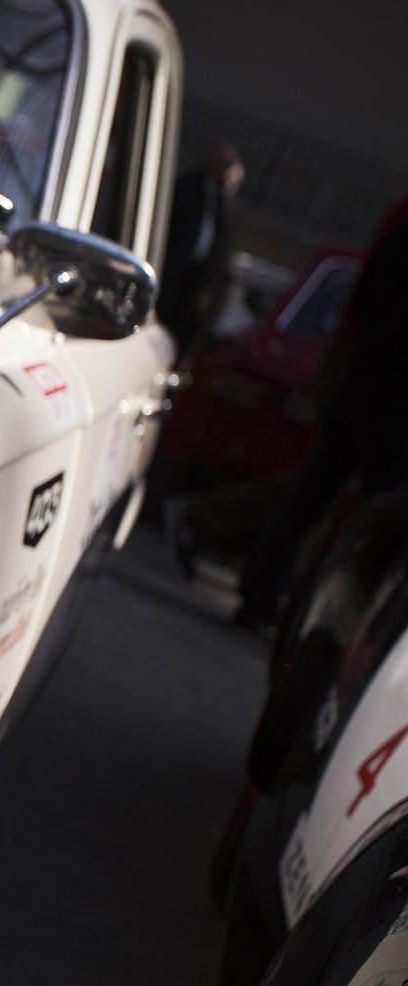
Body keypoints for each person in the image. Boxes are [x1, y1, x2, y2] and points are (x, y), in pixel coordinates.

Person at [231, 195, 408, 629]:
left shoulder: (401, 217)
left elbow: (365, 297)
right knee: (366, 514)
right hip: (387, 390)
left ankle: (267, 595)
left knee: (314, 494)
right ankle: (319, 620)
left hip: (364, 373)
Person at [158, 144, 246, 364]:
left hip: (201, 279)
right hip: (173, 270)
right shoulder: (185, 187)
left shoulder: (228, 203)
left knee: (185, 329)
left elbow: (226, 246)